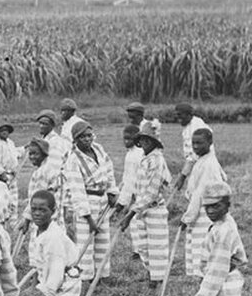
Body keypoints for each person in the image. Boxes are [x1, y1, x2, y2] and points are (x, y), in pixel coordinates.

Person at [191, 181, 247, 296]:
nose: (211, 211)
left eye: (216, 206)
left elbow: (217, 268)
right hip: (217, 281)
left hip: (223, 282)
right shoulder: (221, 224)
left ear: (227, 205)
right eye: (207, 207)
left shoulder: (224, 231)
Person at [63, 122, 118, 281]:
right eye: (83, 137)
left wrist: (112, 192)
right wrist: (88, 218)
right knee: (86, 242)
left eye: (89, 135)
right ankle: (85, 277)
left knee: (103, 238)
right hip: (87, 201)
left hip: (102, 200)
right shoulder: (73, 159)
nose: (87, 139)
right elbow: (76, 190)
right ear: (75, 140)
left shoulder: (98, 149)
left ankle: (101, 275)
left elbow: (109, 170)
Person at [118, 124, 172, 286]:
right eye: (142, 139)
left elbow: (151, 192)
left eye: (149, 140)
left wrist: (129, 214)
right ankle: (151, 274)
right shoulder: (144, 158)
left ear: (155, 142)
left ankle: (158, 280)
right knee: (142, 246)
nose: (145, 142)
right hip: (140, 208)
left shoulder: (156, 160)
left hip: (153, 208)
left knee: (157, 247)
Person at [180, 128, 227, 278]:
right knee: (199, 248)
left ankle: (205, 285)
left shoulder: (209, 164)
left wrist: (187, 218)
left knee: (202, 250)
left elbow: (199, 194)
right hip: (202, 210)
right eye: (193, 143)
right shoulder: (203, 160)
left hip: (205, 212)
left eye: (199, 143)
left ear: (210, 143)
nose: (195, 147)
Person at [20, 138, 67, 233]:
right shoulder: (50, 169)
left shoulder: (42, 172)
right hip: (54, 217)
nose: (32, 157)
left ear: (44, 154)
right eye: (30, 154)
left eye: (35, 154)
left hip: (44, 220)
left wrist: (26, 220)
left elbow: (38, 198)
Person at [173, 102, 212, 191]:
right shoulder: (188, 126)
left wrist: (182, 177)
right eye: (176, 115)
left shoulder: (196, 127)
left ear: (189, 115)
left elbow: (193, 155)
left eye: (180, 115)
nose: (178, 118)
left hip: (204, 164)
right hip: (198, 164)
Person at [0, 119, 22, 216]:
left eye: (6, 130)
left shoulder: (10, 143)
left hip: (13, 175)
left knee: (14, 200)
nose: (4, 132)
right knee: (4, 199)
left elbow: (15, 154)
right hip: (4, 176)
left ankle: (13, 219)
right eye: (2, 130)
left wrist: (25, 148)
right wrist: (2, 174)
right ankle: (4, 219)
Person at [115, 124, 143, 229]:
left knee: (136, 228)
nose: (126, 141)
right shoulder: (130, 153)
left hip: (138, 198)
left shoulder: (137, 154)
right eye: (125, 138)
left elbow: (131, 182)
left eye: (129, 139)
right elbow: (126, 179)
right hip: (132, 196)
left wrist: (121, 203)